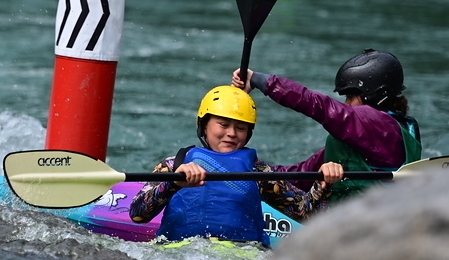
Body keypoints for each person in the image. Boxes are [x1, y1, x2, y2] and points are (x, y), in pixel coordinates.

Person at [129, 86, 345, 246]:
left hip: (243, 257)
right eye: (223, 125)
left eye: (241, 128)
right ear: (204, 125)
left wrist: (324, 182)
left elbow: (305, 212)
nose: (232, 133)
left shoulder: (259, 173)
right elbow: (138, 214)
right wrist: (173, 183)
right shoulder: (174, 165)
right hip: (178, 255)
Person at [232, 48, 422, 202]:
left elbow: (318, 105)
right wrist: (250, 173)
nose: (346, 104)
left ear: (375, 96)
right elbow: (304, 173)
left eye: (350, 97)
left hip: (364, 228)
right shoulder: (363, 138)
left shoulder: (382, 127)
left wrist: (260, 81)